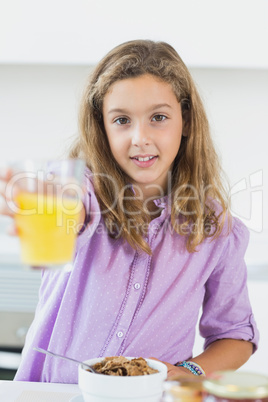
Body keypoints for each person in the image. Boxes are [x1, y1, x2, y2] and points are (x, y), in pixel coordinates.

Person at [0, 40, 258, 383]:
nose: (140, 137)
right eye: (122, 120)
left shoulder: (216, 229)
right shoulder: (86, 191)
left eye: (159, 117)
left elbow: (236, 334)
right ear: (102, 128)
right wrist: (44, 204)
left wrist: (188, 372)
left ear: (187, 121)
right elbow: (73, 207)